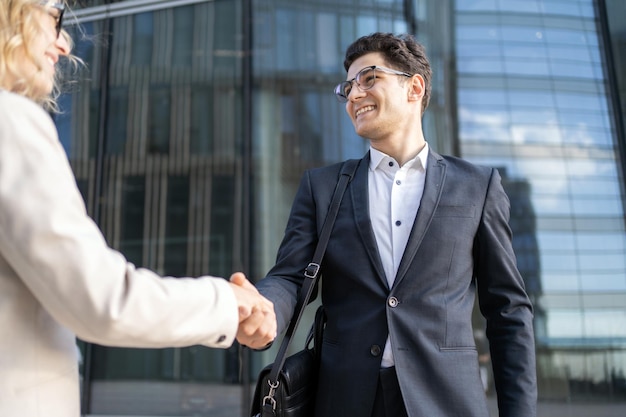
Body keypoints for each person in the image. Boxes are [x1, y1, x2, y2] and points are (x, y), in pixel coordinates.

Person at [0, 2, 276, 416]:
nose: (63, 42)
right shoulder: (11, 122)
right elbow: (104, 300)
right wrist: (228, 301)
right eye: (54, 16)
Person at [243, 32, 537, 417]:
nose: (353, 95)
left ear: (414, 87)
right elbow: (290, 277)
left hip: (445, 401)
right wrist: (264, 308)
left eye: (369, 78)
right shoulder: (323, 186)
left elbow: (507, 310)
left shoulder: (477, 187)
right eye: (347, 87)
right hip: (345, 400)